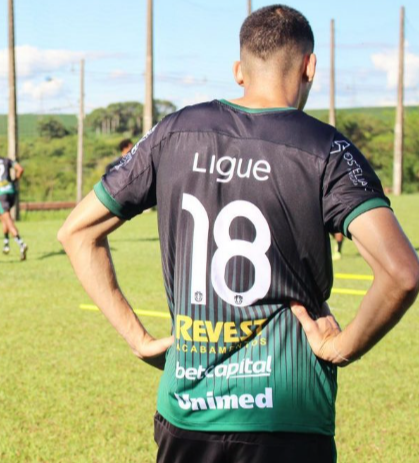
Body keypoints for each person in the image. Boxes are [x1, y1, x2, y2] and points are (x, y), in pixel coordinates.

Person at [58, 5, 419, 463]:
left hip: (187, 415)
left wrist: (138, 338)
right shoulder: (327, 150)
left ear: (238, 71)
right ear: (310, 67)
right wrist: (343, 346)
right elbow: (402, 272)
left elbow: (77, 231)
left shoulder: (174, 133)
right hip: (289, 416)